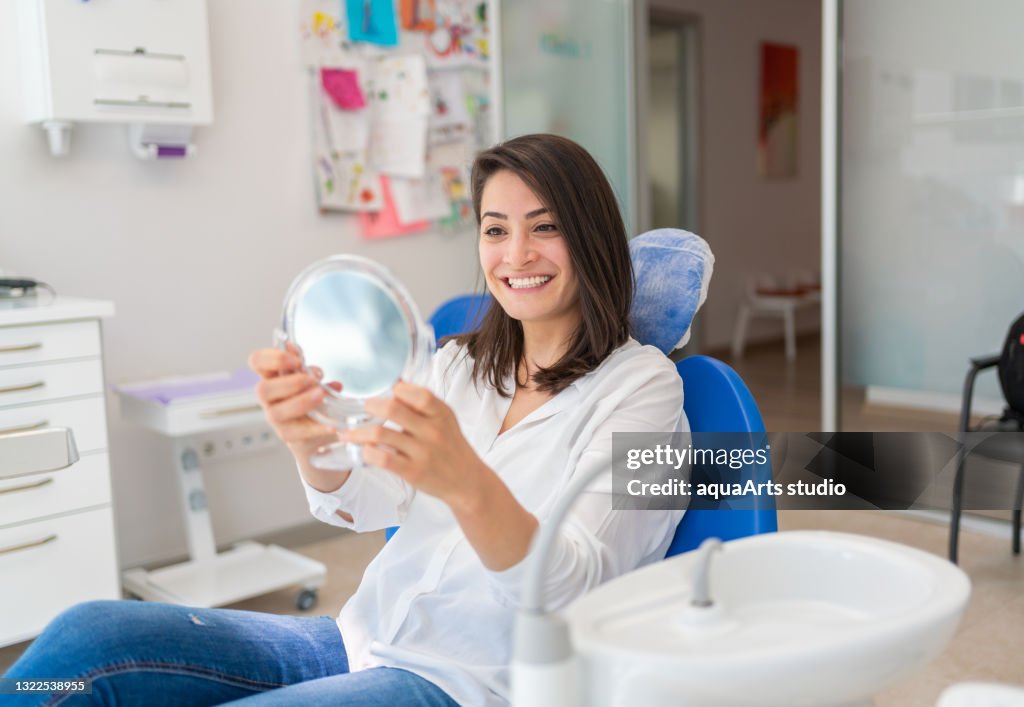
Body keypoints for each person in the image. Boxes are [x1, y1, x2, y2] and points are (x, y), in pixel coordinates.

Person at [4, 134, 687, 706]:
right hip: (355, 640)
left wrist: (468, 484)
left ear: (590, 234)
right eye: (495, 229)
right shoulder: (460, 367)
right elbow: (368, 503)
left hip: (472, 683)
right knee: (86, 640)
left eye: (546, 226)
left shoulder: (647, 393)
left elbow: (579, 588)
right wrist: (314, 445)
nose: (516, 256)